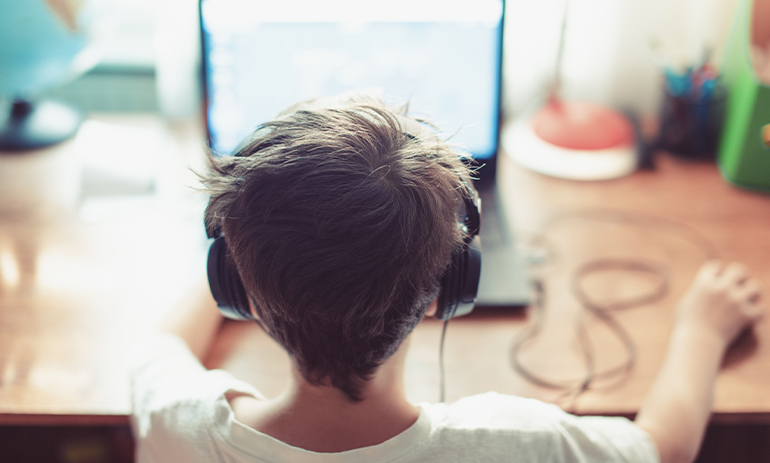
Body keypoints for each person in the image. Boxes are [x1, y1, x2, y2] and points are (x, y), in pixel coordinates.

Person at [130, 94, 765, 463]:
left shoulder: (179, 421)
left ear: (236, 291)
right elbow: (663, 448)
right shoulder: (513, 443)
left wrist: (251, 253)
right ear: (450, 287)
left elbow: (160, 347)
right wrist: (702, 332)